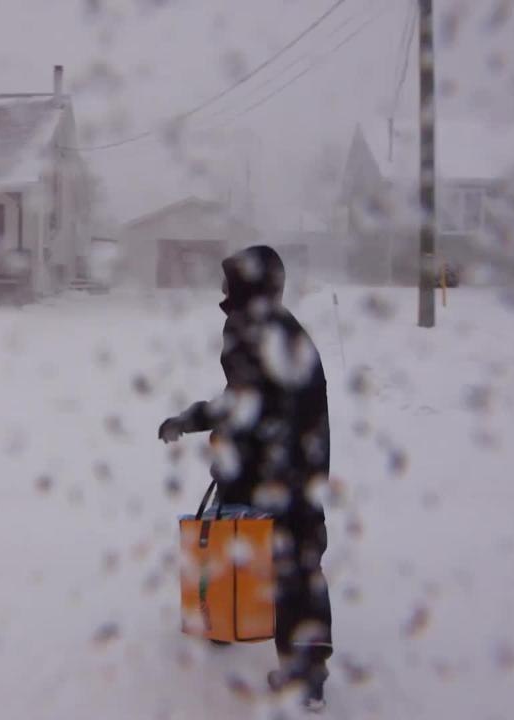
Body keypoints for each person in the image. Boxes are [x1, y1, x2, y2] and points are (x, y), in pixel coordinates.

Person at [159, 245, 333, 712]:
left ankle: (229, 624)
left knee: (245, 541)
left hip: (269, 466)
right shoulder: (284, 326)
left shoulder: (248, 328)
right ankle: (304, 667)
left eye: (228, 282)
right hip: (302, 463)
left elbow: (244, 404)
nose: (221, 290)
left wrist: (202, 427)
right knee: (297, 559)